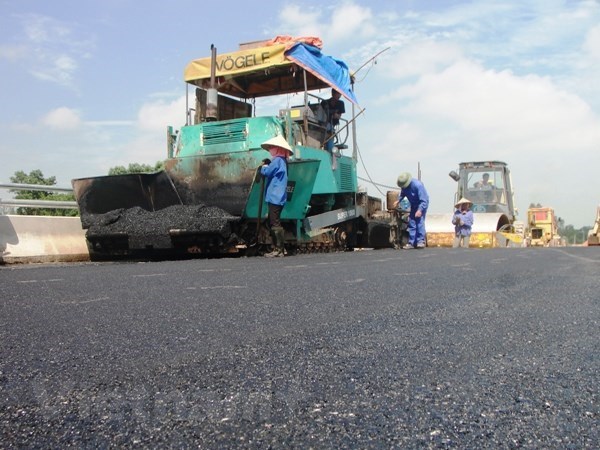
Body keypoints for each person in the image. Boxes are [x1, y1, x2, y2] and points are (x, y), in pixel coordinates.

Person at [260, 135, 294, 257]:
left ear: (278, 149)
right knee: (275, 221)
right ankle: (280, 249)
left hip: (275, 196)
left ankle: (278, 249)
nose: (270, 149)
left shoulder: (277, 160)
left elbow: (268, 172)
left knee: (274, 222)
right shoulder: (283, 161)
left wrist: (263, 167)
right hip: (279, 196)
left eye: (272, 147)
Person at [393, 172, 429, 249]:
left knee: (419, 221)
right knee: (412, 222)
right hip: (413, 204)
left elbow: (424, 200)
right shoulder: (404, 187)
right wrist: (398, 200)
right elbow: (403, 194)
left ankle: (420, 241)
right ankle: (412, 242)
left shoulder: (418, 185)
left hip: (421, 204)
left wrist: (420, 210)